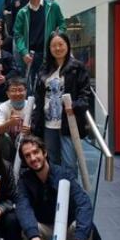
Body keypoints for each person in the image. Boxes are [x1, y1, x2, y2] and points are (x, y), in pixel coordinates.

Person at [32, 32, 90, 177]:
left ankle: (71, 196)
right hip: (48, 124)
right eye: (53, 45)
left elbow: (85, 95)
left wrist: (74, 106)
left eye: (61, 44)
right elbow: (39, 97)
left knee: (69, 163)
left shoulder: (77, 67)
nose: (57, 48)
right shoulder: (44, 69)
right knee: (52, 161)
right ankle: (56, 194)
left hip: (68, 123)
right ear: (49, 49)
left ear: (67, 46)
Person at [13, 0, 66, 90]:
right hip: (32, 55)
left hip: (51, 53)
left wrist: (58, 38)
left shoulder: (53, 6)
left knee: (53, 85)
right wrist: (23, 52)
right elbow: (18, 35)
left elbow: (62, 24)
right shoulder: (22, 12)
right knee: (34, 87)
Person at [0, 77, 30, 162]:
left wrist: (30, 130)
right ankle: (5, 164)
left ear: (26, 91)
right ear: (7, 93)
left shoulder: (32, 105)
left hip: (26, 141)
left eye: (20, 90)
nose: (17, 93)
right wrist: (9, 123)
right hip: (9, 144)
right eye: (13, 90)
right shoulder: (2, 107)